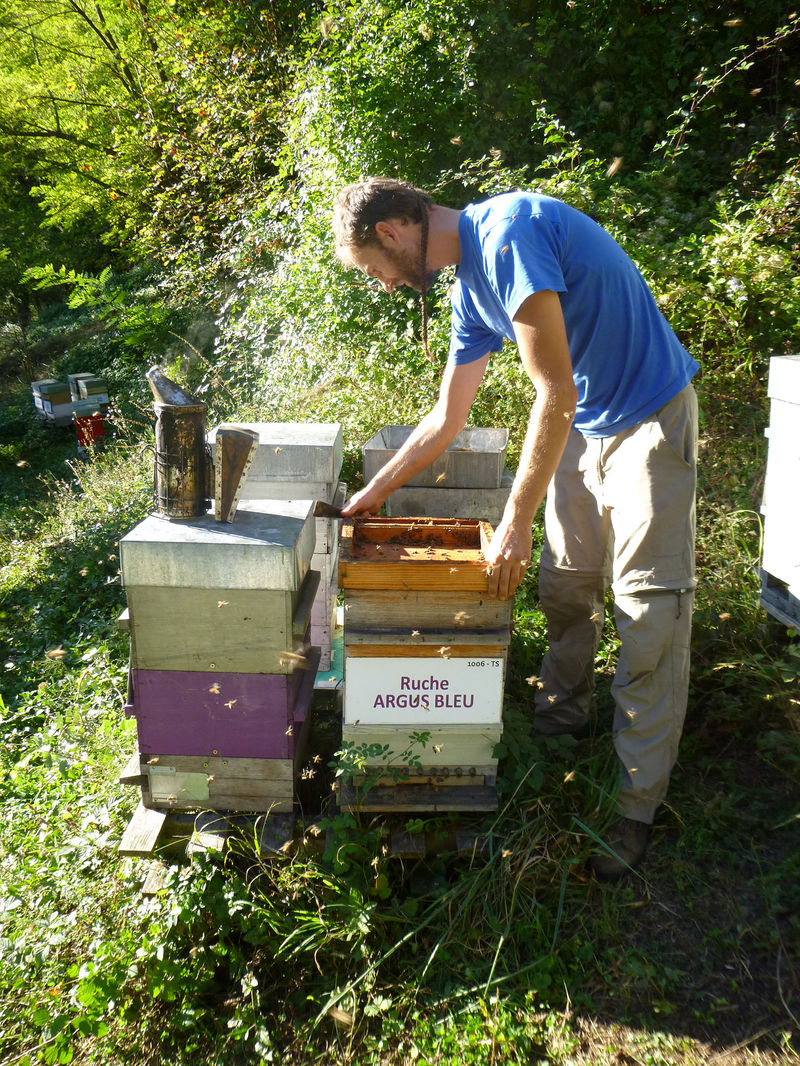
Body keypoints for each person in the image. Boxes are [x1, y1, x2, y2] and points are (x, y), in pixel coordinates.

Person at [333, 177, 698, 880]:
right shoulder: (469, 286)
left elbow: (552, 388)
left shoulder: (509, 233)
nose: (379, 284)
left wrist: (516, 520)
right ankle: (562, 725)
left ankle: (635, 804)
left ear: (392, 233)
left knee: (646, 610)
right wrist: (373, 493)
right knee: (565, 590)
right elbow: (447, 418)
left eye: (372, 271)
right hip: (585, 428)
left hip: (648, 419)